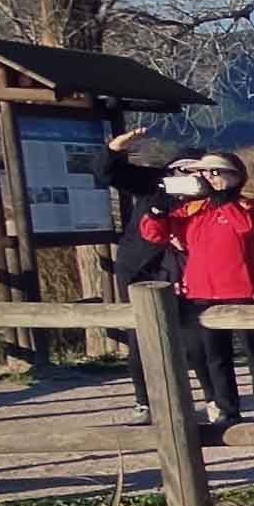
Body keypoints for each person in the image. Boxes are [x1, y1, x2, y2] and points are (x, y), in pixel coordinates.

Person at [143, 151, 254, 423]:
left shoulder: (250, 206)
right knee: (216, 357)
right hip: (203, 293)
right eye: (204, 173)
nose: (208, 178)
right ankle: (227, 410)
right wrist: (157, 208)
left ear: (236, 177)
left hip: (244, 292)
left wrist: (224, 199)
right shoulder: (192, 210)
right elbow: (154, 234)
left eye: (215, 172)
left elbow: (245, 227)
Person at [102, 126, 203, 424]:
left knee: (192, 334)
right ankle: (145, 402)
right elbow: (107, 173)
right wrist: (115, 149)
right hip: (139, 266)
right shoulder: (153, 183)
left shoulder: (206, 193)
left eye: (194, 171)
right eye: (179, 170)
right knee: (140, 335)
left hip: (183, 267)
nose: (185, 176)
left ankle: (208, 399)